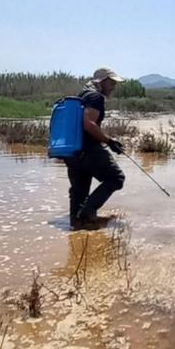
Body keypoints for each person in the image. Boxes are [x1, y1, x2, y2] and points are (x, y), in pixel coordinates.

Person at [66, 67, 127, 230]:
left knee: (79, 190)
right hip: (88, 149)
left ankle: (76, 225)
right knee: (116, 178)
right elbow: (88, 124)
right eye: (112, 82)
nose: (114, 86)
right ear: (103, 81)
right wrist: (109, 141)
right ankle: (88, 212)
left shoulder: (82, 95)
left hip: (73, 151)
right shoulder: (95, 97)